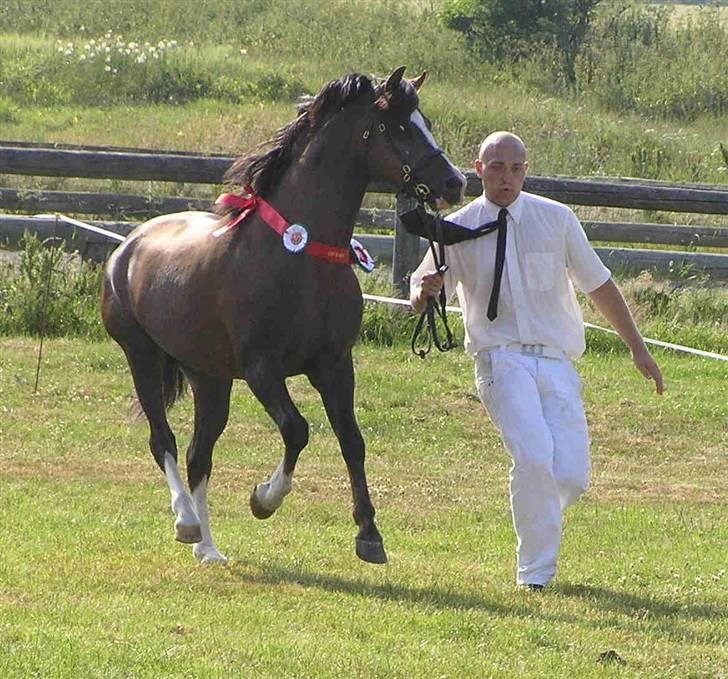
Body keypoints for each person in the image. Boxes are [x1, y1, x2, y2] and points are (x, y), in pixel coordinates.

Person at [409, 131, 663, 590]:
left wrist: (637, 346)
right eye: (496, 167)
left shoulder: (557, 219)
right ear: (478, 168)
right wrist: (421, 293)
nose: (506, 177)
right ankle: (534, 575)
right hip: (499, 359)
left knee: (570, 475)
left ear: (526, 170)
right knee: (533, 456)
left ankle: (537, 507)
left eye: (515, 168)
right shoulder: (457, 228)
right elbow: (424, 289)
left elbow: (598, 284)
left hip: (556, 360)